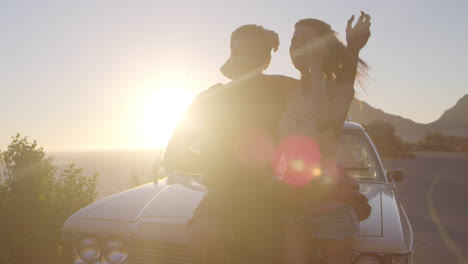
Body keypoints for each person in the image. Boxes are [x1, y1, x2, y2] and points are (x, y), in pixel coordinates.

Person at [163, 24, 297, 264]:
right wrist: (224, 163)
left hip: (274, 198)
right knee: (204, 237)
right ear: (231, 54)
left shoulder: (286, 90)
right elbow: (174, 155)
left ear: (266, 59)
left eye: (253, 53)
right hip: (223, 196)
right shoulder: (209, 99)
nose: (244, 59)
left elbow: (329, 101)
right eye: (239, 52)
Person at [276, 12, 372, 264]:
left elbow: (324, 121)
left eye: (306, 40)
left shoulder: (337, 90)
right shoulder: (287, 92)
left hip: (331, 204)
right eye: (294, 40)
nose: (296, 45)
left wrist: (324, 63)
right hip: (293, 201)